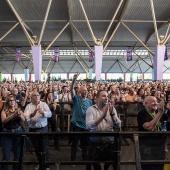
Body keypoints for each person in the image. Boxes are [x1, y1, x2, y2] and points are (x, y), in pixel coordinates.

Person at [86, 90, 121, 170]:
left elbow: (118, 125)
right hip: (95, 143)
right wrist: (102, 116)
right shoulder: (91, 109)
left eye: (107, 96)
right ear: (97, 98)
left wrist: (112, 114)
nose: (106, 98)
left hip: (109, 143)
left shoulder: (112, 109)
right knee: (96, 166)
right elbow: (88, 126)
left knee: (108, 165)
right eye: (104, 96)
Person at [24, 91, 52, 170]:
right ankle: (41, 163)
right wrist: (32, 114)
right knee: (37, 148)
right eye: (34, 96)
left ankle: (46, 165)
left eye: (37, 95)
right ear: (31, 97)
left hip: (43, 128)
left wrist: (43, 112)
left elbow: (50, 114)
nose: (36, 97)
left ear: (39, 97)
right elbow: (26, 117)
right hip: (33, 129)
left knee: (45, 148)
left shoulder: (44, 104)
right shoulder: (28, 106)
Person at [137, 96, 166, 170]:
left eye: (156, 101)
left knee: (160, 166)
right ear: (145, 103)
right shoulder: (141, 114)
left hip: (160, 145)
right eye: (153, 101)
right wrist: (160, 113)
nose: (156, 103)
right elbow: (149, 128)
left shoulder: (159, 112)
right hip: (147, 146)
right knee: (148, 166)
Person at [70, 72, 92, 164]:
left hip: (85, 124)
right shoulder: (76, 99)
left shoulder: (90, 101)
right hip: (76, 124)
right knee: (75, 143)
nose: (85, 92)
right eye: (83, 90)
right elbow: (71, 90)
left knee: (85, 144)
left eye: (86, 90)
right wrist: (74, 80)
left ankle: (84, 158)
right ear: (79, 92)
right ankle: (73, 160)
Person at [1, 95, 25, 170]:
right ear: (8, 102)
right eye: (10, 101)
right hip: (7, 134)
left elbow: (23, 119)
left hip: (18, 133)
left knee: (17, 155)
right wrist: (13, 115)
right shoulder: (4, 111)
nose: (12, 102)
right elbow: (3, 120)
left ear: (15, 102)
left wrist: (19, 115)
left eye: (13, 100)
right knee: (6, 155)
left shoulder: (19, 110)